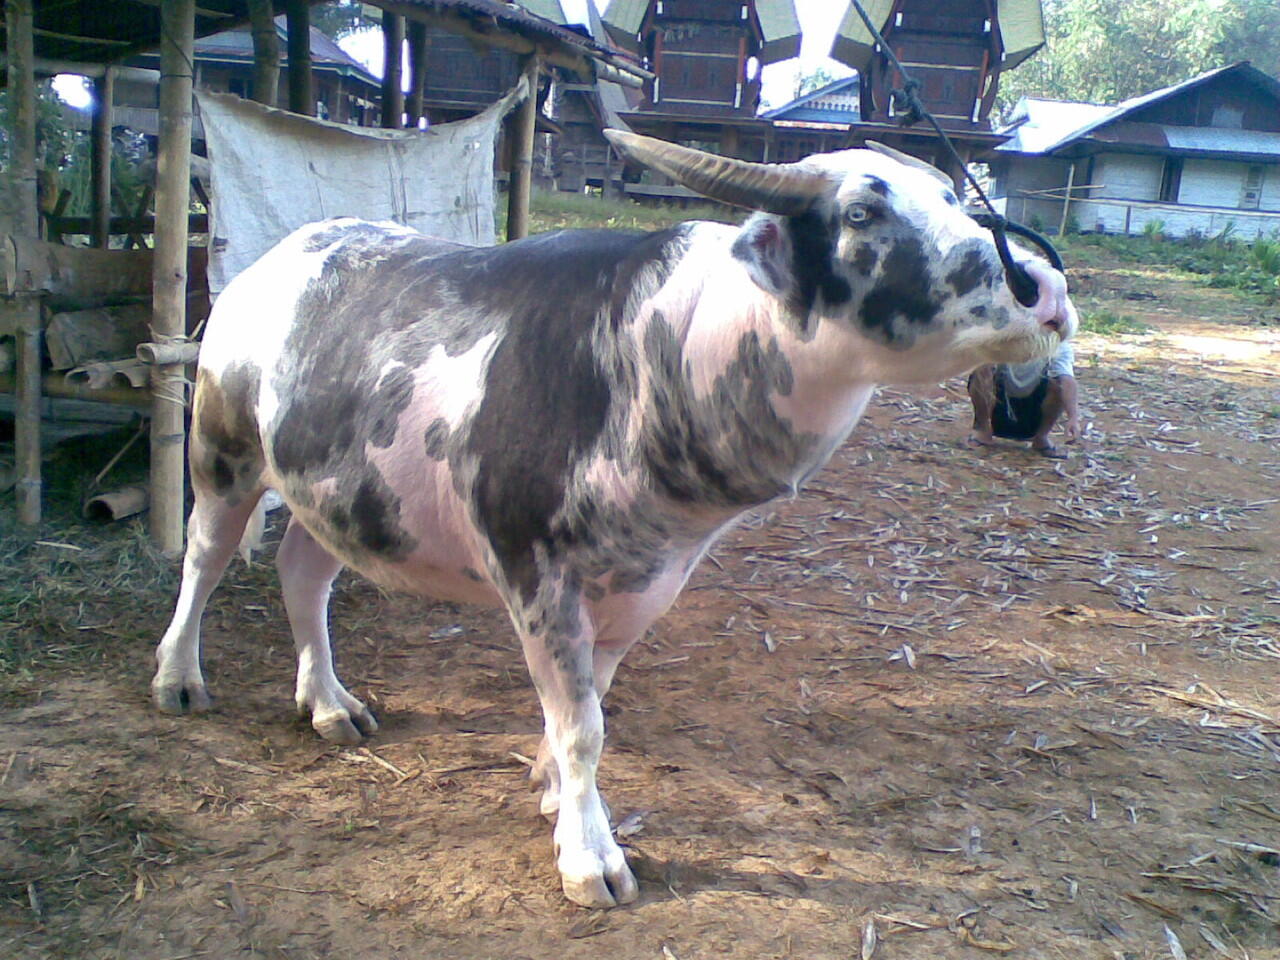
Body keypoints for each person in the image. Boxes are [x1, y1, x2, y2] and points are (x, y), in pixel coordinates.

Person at [967, 342, 1081, 458]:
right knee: (982, 368)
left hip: (1032, 416)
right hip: (998, 408)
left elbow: (1067, 380)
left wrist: (1073, 417)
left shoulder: (1059, 346)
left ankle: (1041, 437)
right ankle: (983, 429)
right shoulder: (1000, 338)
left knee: (1058, 384)